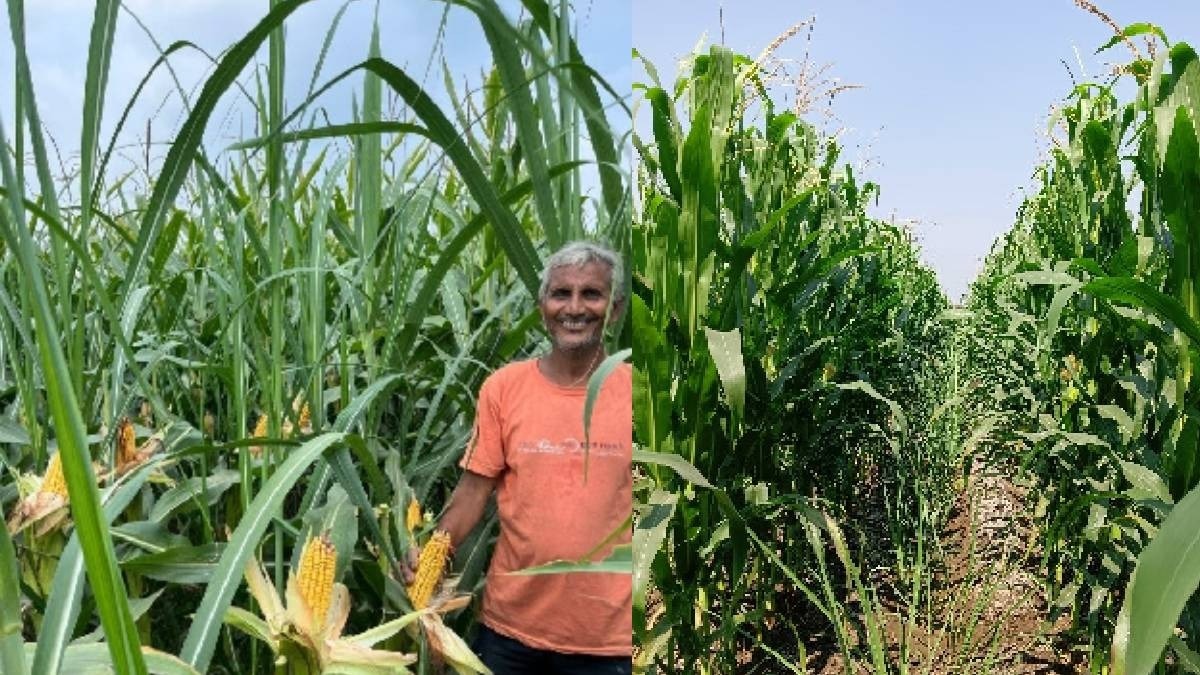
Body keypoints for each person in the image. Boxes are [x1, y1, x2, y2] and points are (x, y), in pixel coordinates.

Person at [408, 241, 632, 674]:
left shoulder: (639, 393)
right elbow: (472, 494)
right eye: (560, 293)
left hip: (608, 643)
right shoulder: (504, 389)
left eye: (592, 294)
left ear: (616, 309)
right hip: (509, 634)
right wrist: (431, 555)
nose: (574, 307)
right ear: (542, 306)